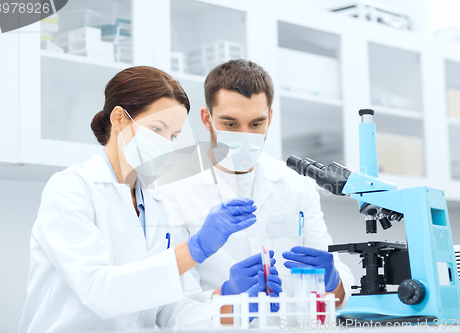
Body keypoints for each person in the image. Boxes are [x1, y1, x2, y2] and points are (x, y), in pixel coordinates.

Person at [18, 66, 281, 333]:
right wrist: (195, 248)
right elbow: (100, 292)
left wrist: (233, 301)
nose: (166, 144)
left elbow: (174, 313)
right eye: (157, 129)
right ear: (119, 118)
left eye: (174, 136)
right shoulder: (72, 189)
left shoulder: (159, 202)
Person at [159, 60, 355, 308]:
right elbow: (175, 307)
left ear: (270, 118)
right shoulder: (175, 188)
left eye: (256, 124)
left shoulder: (295, 184)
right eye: (230, 124)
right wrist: (226, 296)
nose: (244, 135)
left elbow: (339, 295)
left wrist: (332, 281)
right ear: (206, 119)